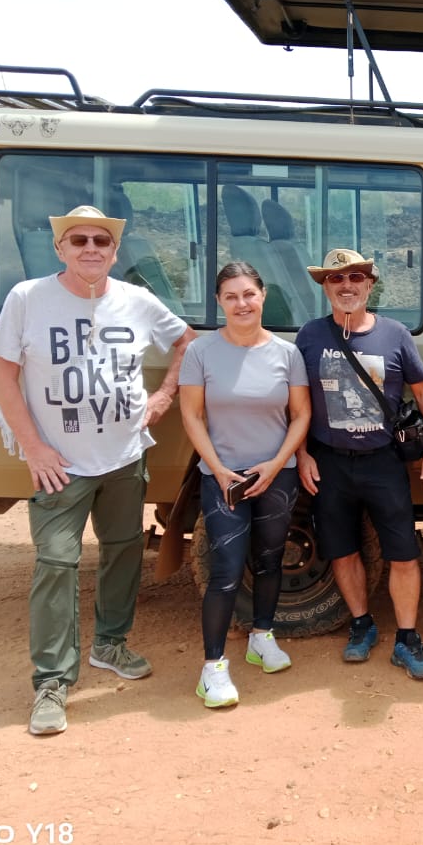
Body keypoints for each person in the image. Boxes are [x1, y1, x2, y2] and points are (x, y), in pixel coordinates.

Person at [0, 205, 196, 736]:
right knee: (56, 564)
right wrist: (34, 447)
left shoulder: (137, 301)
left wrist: (166, 393)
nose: (90, 249)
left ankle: (111, 643)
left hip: (126, 455)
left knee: (123, 549)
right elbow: (4, 377)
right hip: (60, 464)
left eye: (101, 241)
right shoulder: (28, 298)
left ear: (114, 252)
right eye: (78, 240)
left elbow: (186, 341)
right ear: (60, 248)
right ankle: (52, 682)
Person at [294, 249, 423, 680]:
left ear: (370, 284)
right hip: (329, 462)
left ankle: (407, 638)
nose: (346, 286)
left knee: (403, 554)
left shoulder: (395, 334)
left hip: (383, 462)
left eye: (355, 277)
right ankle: (362, 625)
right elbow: (298, 401)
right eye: (336, 279)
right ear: (325, 287)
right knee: (342, 551)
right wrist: (302, 453)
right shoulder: (309, 336)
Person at [179, 262, 310, 707]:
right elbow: (192, 415)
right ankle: (212, 668)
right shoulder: (201, 352)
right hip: (224, 478)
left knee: (271, 560)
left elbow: (301, 415)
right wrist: (216, 468)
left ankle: (261, 637)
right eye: (231, 296)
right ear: (218, 301)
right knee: (227, 571)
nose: (241, 303)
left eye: (248, 294)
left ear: (263, 295)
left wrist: (275, 465)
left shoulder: (287, 353)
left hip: (276, 475)